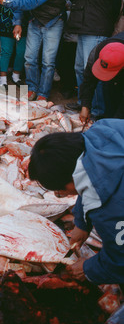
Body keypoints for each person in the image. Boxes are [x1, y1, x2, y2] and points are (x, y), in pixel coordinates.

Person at [28, 119, 124, 285]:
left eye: (60, 191)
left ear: (69, 181)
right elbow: (92, 179)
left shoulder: (111, 212)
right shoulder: (104, 128)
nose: (60, 194)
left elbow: (120, 259)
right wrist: (81, 222)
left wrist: (88, 268)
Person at [58, 0, 119, 118]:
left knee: (93, 71)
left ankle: (97, 111)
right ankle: (83, 103)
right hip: (89, 25)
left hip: (95, 27)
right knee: (81, 68)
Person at [79, 34, 124, 123]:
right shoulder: (98, 51)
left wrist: (116, 121)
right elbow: (88, 80)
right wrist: (85, 106)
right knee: (109, 92)